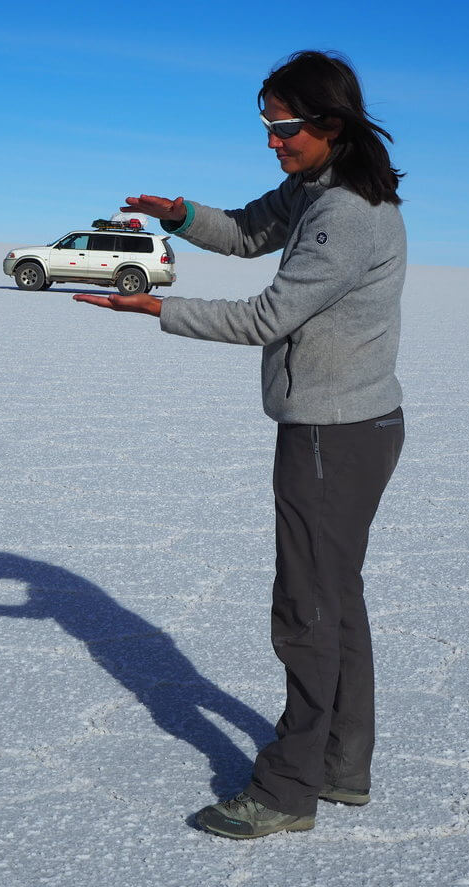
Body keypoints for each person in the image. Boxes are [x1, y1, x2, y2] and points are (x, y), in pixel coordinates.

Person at [73, 50, 407, 840]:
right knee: (336, 602)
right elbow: (251, 230)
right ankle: (341, 766)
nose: (272, 141)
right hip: (352, 428)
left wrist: (157, 309)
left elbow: (265, 318)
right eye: (266, 124)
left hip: (332, 437)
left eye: (284, 126)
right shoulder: (318, 190)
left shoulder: (347, 216)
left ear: (330, 122)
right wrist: (180, 215)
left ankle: (288, 790)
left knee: (306, 612)